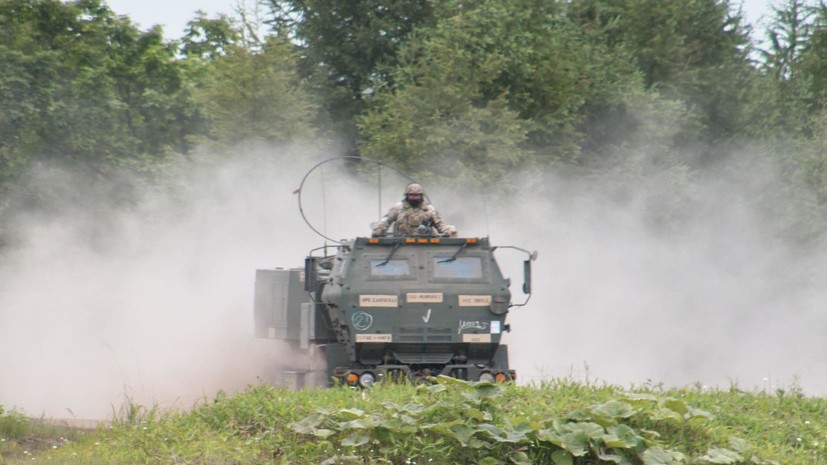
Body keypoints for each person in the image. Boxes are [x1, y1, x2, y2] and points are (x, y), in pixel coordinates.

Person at [372, 183, 457, 237]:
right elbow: (386, 221)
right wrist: (379, 229)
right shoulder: (398, 208)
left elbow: (439, 224)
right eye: (412, 195)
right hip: (400, 245)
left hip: (426, 244)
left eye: (417, 195)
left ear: (421, 196)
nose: (415, 197)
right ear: (407, 195)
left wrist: (446, 231)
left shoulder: (429, 209)